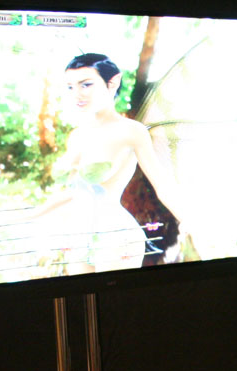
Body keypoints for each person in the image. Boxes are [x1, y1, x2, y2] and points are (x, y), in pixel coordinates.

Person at [36, 53, 174, 272]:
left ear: (113, 83)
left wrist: (190, 222)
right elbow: (74, 192)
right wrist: (29, 216)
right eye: (70, 87)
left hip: (115, 235)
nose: (77, 94)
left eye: (86, 84)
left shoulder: (132, 131)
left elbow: (162, 185)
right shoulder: (77, 136)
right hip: (79, 236)